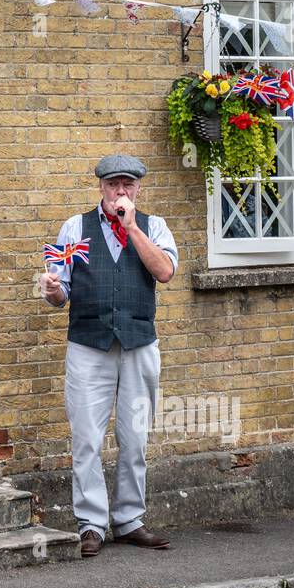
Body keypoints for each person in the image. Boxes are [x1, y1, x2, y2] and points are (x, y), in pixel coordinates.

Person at [39, 155, 179, 557]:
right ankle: (91, 524)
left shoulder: (154, 227)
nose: (121, 191)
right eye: (114, 184)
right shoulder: (75, 227)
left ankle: (130, 520)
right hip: (88, 344)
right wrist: (52, 292)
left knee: (134, 438)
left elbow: (165, 272)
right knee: (86, 437)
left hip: (138, 343)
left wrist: (131, 226)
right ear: (101, 187)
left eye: (128, 185)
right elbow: (59, 291)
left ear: (138, 189)